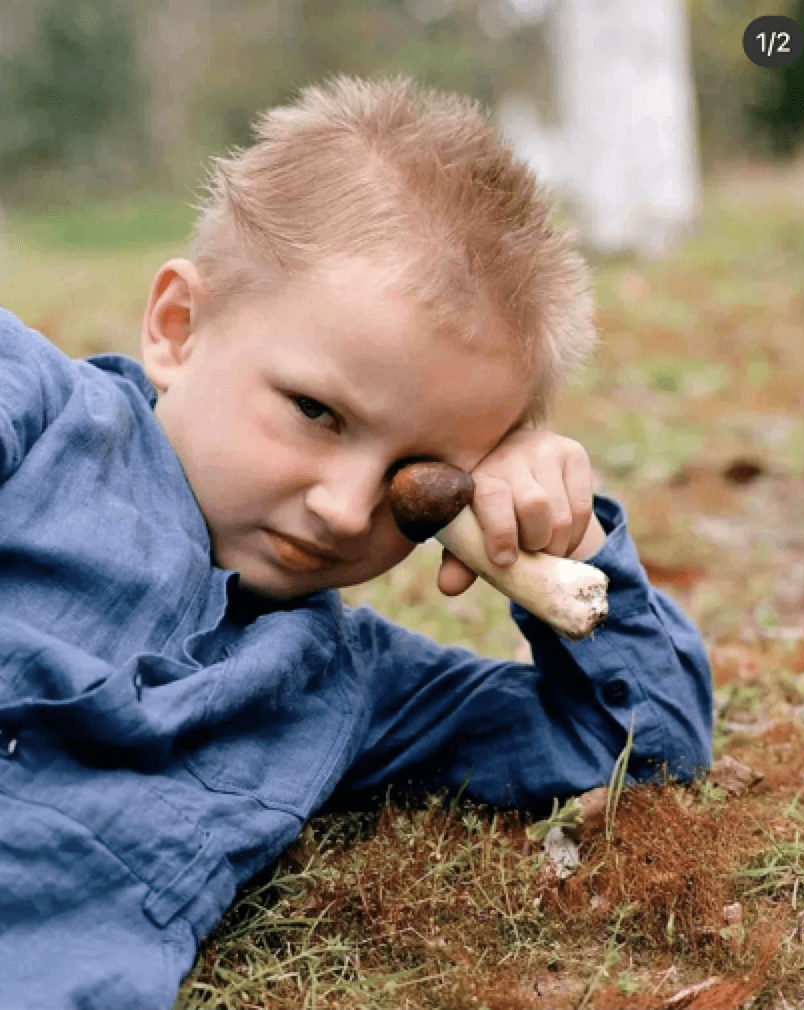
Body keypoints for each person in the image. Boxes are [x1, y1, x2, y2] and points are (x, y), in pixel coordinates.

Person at [0, 75, 712, 1009]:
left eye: (419, 482)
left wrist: (558, 545)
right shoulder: (41, 417)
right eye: (315, 411)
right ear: (178, 328)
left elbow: (642, 743)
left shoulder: (344, 686)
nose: (344, 509)